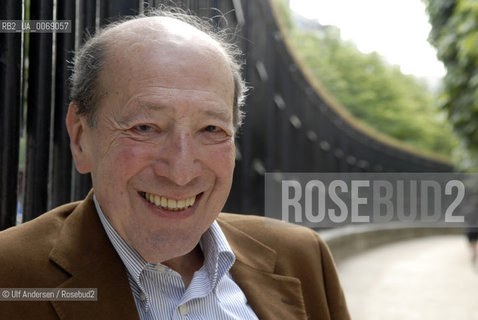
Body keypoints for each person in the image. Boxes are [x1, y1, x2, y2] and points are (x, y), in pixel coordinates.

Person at [0, 8, 350, 320]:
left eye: (211, 129)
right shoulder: (11, 277)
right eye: (145, 128)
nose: (181, 171)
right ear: (80, 137)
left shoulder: (301, 257)